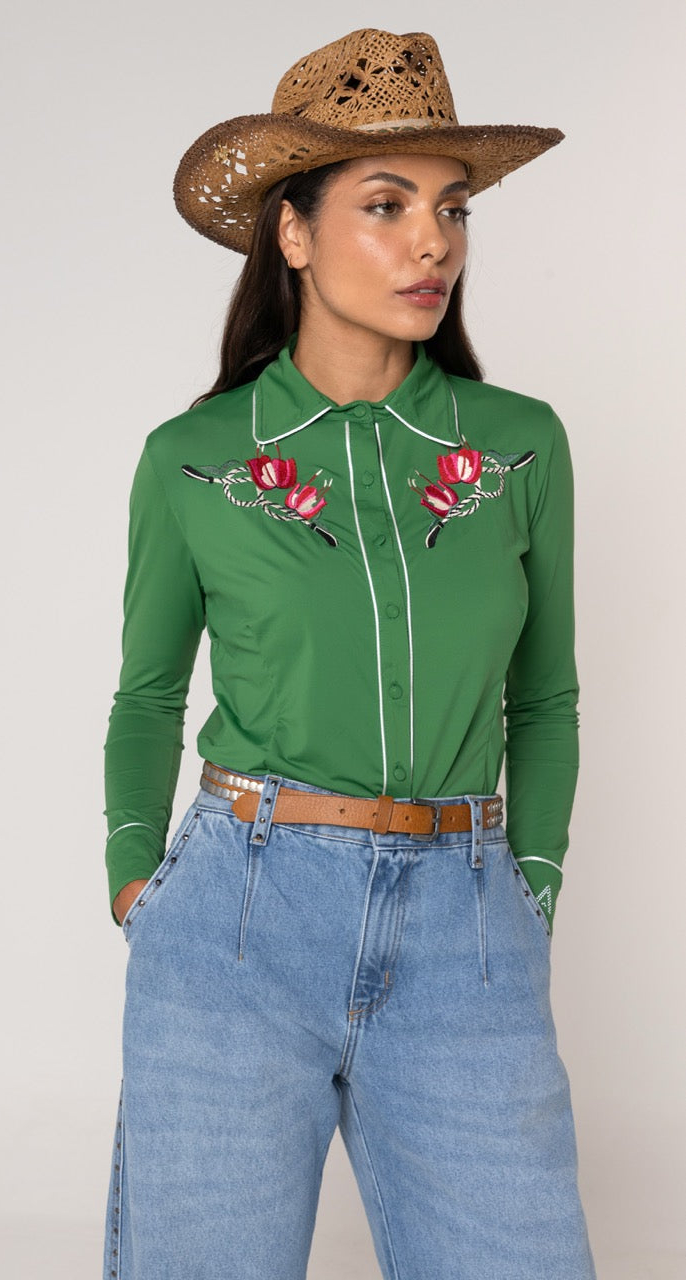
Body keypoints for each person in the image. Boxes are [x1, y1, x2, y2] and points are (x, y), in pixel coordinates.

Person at [102, 27, 597, 1280]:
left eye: (450, 208)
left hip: (465, 926)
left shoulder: (517, 448)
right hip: (235, 919)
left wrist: (527, 885)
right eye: (386, 205)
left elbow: (544, 696)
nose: (432, 242)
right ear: (293, 232)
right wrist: (134, 883)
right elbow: (147, 693)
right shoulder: (193, 458)